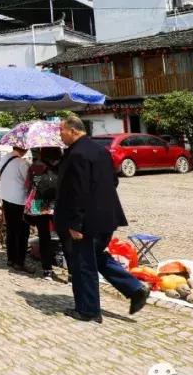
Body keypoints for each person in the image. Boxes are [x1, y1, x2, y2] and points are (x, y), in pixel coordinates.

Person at [56, 115, 149, 322]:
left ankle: (88, 310)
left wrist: (75, 222)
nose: (60, 134)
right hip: (106, 217)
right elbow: (113, 181)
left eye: (61, 130)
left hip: (86, 222)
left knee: (83, 265)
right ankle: (134, 289)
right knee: (96, 257)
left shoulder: (78, 154)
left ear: (73, 130)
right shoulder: (100, 150)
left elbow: (78, 191)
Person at [25, 147, 62, 281]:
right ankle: (71, 274)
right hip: (59, 203)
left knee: (43, 236)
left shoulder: (36, 167)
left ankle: (47, 271)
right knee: (64, 236)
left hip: (39, 203)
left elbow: (29, 185)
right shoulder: (63, 165)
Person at [0, 145, 32, 273]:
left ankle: (10, 259)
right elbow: (28, 182)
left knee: (11, 230)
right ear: (25, 149)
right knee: (23, 232)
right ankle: (19, 262)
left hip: (6, 198)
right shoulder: (22, 163)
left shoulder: (4, 158)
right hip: (20, 201)